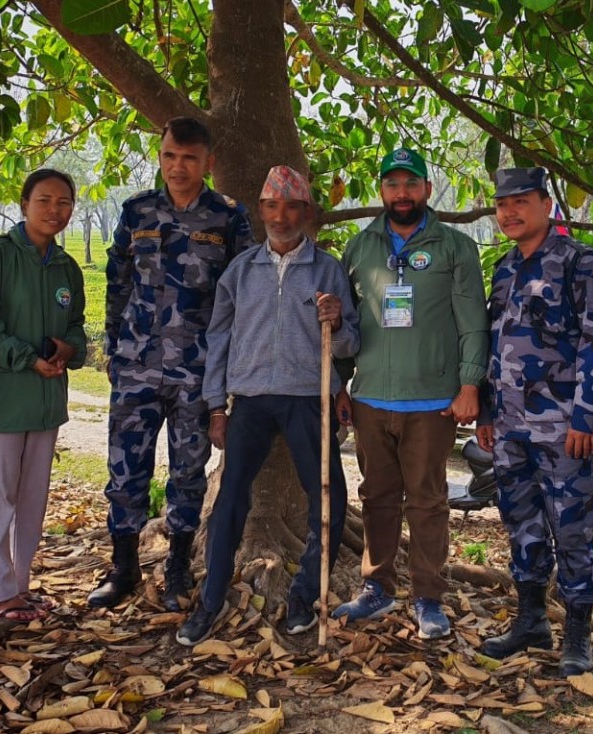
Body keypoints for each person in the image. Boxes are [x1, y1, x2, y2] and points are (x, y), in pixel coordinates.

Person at [174, 165, 359, 645]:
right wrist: (217, 406)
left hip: (308, 397)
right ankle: (211, 600)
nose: (281, 216)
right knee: (231, 498)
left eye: (291, 207)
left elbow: (349, 344)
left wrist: (338, 322)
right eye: (272, 206)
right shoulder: (241, 271)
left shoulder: (327, 269)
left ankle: (304, 594)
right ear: (260, 211)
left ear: (306, 212)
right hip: (251, 401)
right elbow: (218, 338)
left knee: (329, 497)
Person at [91, 117, 255, 611]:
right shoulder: (138, 210)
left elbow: (243, 294)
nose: (177, 167)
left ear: (209, 162)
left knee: (188, 471)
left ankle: (178, 568)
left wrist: (228, 371)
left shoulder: (228, 217)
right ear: (160, 155)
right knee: (126, 469)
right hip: (136, 363)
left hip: (197, 370)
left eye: (188, 158)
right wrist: (115, 347)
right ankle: (123, 567)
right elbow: (118, 280)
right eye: (169, 156)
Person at [332, 147, 488, 640]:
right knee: (377, 497)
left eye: (411, 183)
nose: (402, 193)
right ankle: (376, 588)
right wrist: (340, 383)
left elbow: (473, 323)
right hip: (371, 399)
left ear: (427, 188)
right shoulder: (360, 248)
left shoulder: (455, 248)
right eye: (392, 183)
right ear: (381, 189)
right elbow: (346, 326)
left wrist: (469, 384)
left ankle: (428, 597)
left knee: (427, 502)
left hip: (433, 402)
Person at [474, 168, 593, 675]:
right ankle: (531, 619)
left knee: (572, 527)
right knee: (521, 522)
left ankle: (577, 634)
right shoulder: (505, 268)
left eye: (521, 202)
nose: (509, 212)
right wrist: (486, 409)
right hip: (509, 425)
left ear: (546, 205)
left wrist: (586, 416)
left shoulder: (580, 263)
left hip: (562, 427)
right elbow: (493, 343)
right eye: (501, 204)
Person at [0, 169, 87, 622]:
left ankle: (19, 586)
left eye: (64, 202)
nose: (55, 210)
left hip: (44, 403)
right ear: (24, 204)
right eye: (44, 200)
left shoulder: (66, 268)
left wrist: (68, 349)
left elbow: (76, 327)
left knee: (31, 502)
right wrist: (27, 359)